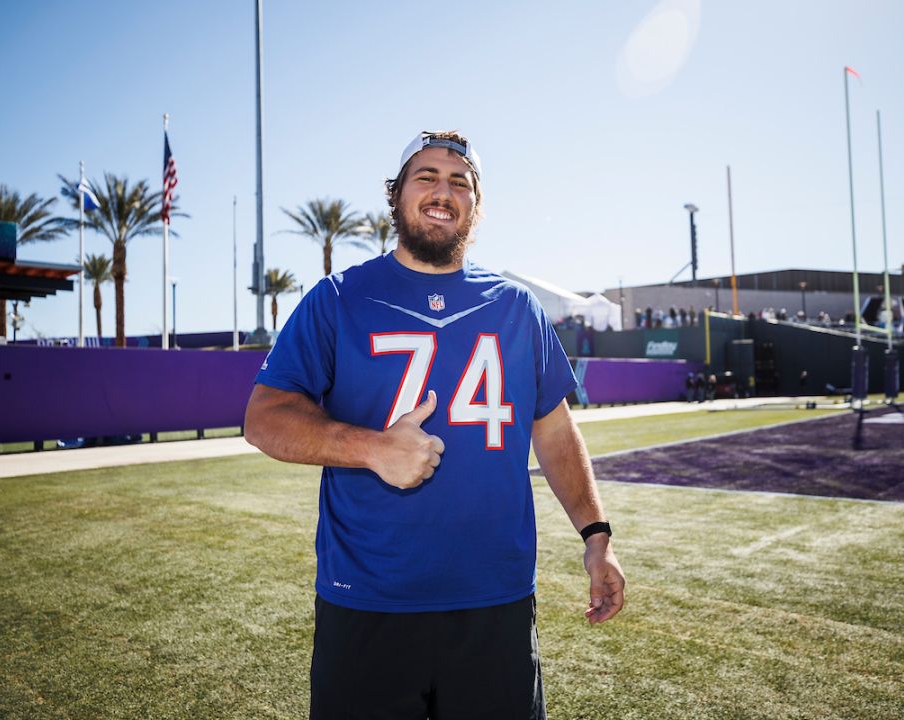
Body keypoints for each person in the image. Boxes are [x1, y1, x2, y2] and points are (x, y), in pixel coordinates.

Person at [244, 130, 626, 720]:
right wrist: (371, 448)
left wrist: (596, 537)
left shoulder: (516, 308)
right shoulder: (338, 298)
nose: (442, 191)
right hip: (368, 599)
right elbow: (264, 417)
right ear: (396, 196)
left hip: (494, 602)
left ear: (475, 207)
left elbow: (552, 430)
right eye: (426, 177)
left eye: (460, 182)